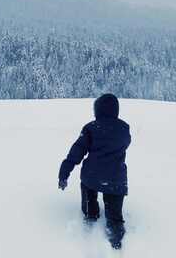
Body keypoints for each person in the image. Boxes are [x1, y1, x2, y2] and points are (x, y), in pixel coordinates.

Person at [58, 93, 132, 250]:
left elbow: (76, 152)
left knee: (88, 187)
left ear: (97, 110)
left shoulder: (91, 128)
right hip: (116, 180)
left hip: (92, 177)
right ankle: (116, 233)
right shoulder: (124, 129)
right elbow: (126, 142)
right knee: (115, 216)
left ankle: (90, 212)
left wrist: (64, 174)